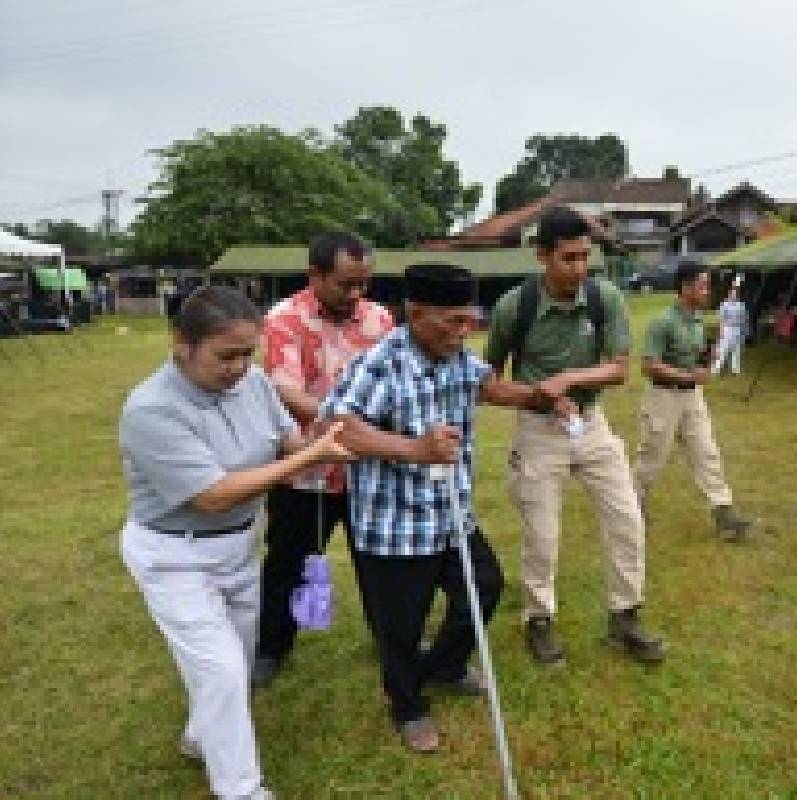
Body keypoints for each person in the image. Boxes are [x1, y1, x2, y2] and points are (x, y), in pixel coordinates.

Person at [118, 287, 352, 800]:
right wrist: (307, 460)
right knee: (222, 668)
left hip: (238, 548)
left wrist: (331, 443)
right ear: (181, 344)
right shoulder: (151, 409)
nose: (240, 367)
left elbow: (287, 441)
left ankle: (203, 737)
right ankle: (241, 790)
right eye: (227, 355)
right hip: (174, 557)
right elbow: (214, 495)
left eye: (249, 353)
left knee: (236, 664)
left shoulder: (255, 385)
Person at [320, 263, 548, 753]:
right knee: (400, 627)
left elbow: (487, 386)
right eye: (453, 321)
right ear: (415, 312)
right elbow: (335, 430)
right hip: (395, 524)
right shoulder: (380, 364)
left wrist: (538, 398)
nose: (464, 332)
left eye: (471, 321)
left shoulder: (456, 357)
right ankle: (407, 703)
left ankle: (444, 666)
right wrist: (413, 449)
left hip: (451, 514)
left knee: (484, 587)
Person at [486, 205, 664, 668]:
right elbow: (488, 385)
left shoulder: (605, 298)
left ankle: (625, 616)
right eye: (568, 258)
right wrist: (537, 397)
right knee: (542, 535)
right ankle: (539, 619)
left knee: (627, 520)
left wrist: (567, 379)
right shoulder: (514, 307)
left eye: (586, 257)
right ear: (542, 256)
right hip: (538, 432)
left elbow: (619, 369)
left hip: (592, 426)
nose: (580, 268)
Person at [252, 232, 395, 688]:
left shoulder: (379, 320)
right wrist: (343, 425)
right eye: (344, 285)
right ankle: (271, 646)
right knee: (288, 563)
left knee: (382, 564)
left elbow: (392, 382)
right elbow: (286, 391)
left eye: (363, 285)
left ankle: (394, 640)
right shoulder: (284, 320)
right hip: (304, 469)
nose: (355, 296)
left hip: (365, 471)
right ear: (314, 275)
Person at [635, 263, 753, 542]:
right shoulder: (663, 322)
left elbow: (699, 358)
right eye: (702, 285)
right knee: (653, 457)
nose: (707, 290)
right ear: (685, 288)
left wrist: (708, 359)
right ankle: (633, 506)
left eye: (707, 285)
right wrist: (688, 374)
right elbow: (649, 366)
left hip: (692, 398)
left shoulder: (699, 322)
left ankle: (723, 514)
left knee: (707, 452)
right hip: (663, 397)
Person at [711, 285, 747, 375]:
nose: (733, 295)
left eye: (735, 294)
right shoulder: (724, 304)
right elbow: (721, 318)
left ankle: (735, 369)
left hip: (737, 329)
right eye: (732, 293)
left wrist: (742, 331)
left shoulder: (741, 305)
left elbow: (743, 319)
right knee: (722, 349)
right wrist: (721, 329)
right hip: (727, 328)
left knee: (736, 350)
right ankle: (716, 368)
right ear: (729, 294)